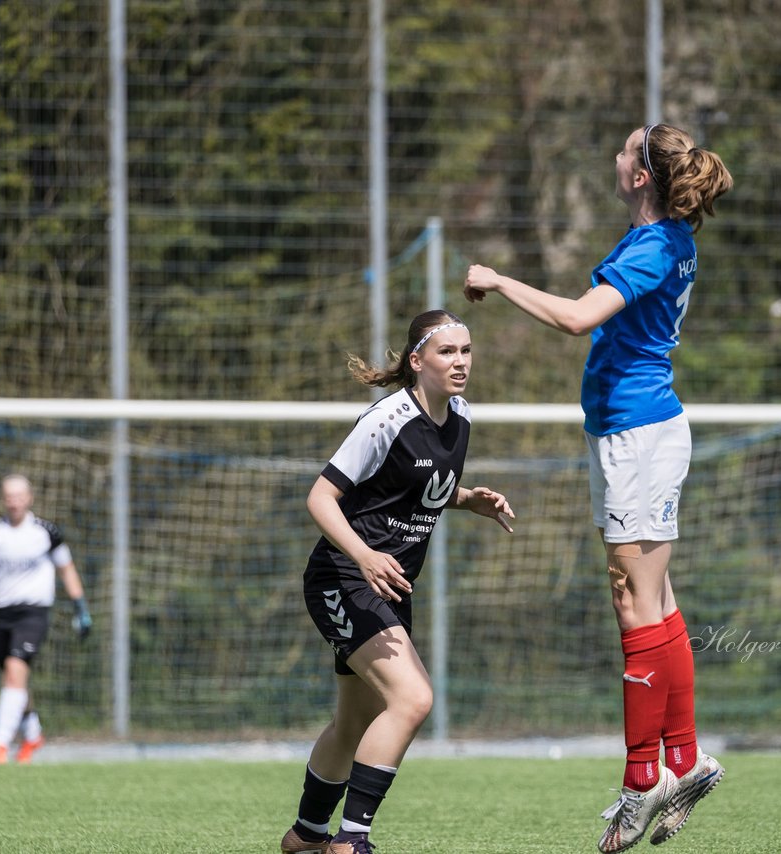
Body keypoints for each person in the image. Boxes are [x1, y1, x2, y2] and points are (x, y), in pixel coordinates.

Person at [463, 123, 733, 851]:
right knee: (656, 600)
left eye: (625, 149)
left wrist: (496, 280)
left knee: (633, 600)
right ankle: (684, 761)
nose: (615, 156)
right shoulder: (663, 238)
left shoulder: (654, 245)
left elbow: (578, 319)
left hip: (637, 438)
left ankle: (643, 778)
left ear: (642, 175)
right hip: (632, 434)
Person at [281, 310, 515, 854]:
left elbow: (412, 489)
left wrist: (466, 500)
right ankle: (352, 841)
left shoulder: (461, 415)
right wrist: (363, 555)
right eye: (447, 352)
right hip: (343, 576)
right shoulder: (386, 419)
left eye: (467, 350)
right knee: (413, 699)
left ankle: (307, 835)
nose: (461, 362)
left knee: (357, 719)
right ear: (417, 361)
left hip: (389, 586)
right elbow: (321, 496)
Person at [0, 474, 92, 764]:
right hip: (1, 613)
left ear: (29, 498)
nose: (14, 502)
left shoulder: (46, 532)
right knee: (13, 679)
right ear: (3, 499)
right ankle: (33, 734)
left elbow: (66, 569)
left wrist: (80, 607)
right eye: (9, 496)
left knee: (15, 670)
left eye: (19, 496)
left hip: (33, 612)